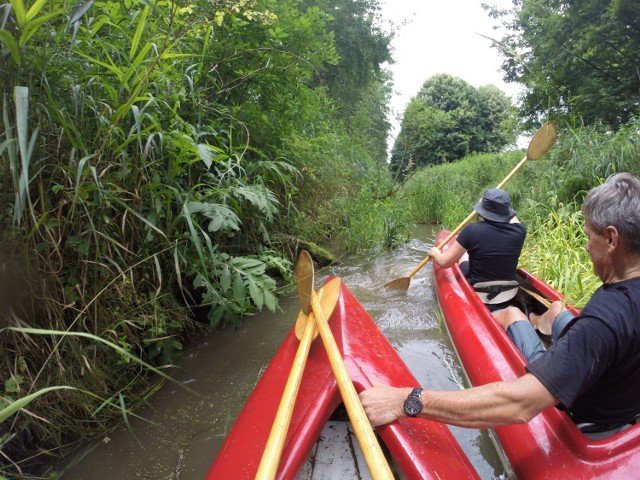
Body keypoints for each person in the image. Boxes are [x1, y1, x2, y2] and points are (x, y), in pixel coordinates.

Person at [361, 172, 640, 439]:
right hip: (618, 398)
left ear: (613, 239)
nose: (587, 247)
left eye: (590, 236)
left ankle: (524, 319)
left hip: (588, 420)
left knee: (513, 313)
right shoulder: (519, 231)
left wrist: (407, 400)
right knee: (556, 308)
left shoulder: (602, 324)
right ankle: (541, 321)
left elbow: (520, 405)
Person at [428, 188, 526, 311]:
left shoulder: (471, 231)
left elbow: (444, 262)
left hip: (480, 293)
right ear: (507, 212)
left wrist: (435, 253)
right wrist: (498, 207)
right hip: (508, 292)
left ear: (483, 211)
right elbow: (513, 219)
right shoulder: (520, 231)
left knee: (464, 255)